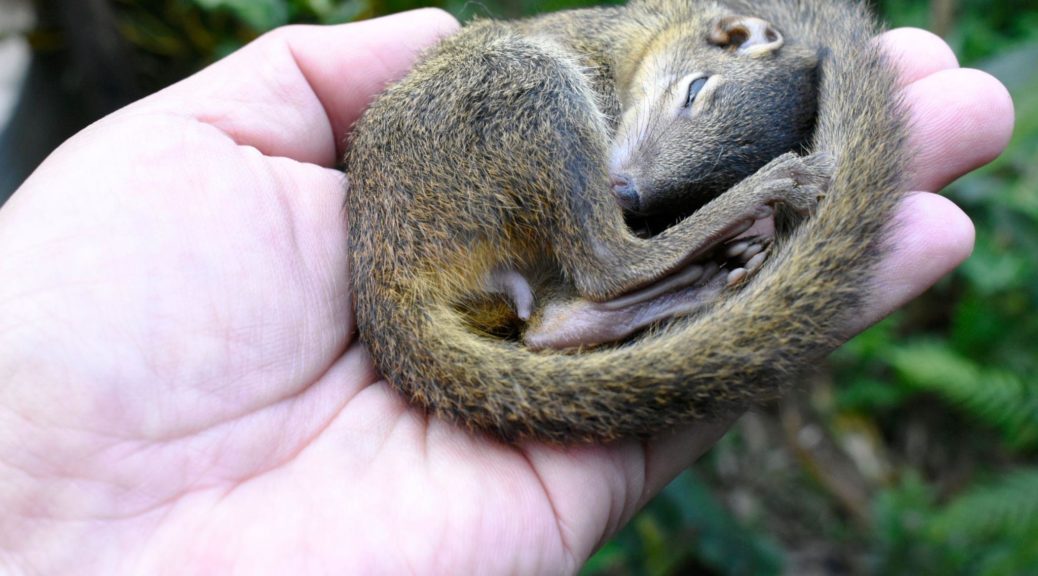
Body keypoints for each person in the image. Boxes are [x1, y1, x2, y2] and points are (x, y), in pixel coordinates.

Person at [0, 9, 1013, 574]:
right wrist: (754, 197)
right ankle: (619, 287)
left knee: (610, 190)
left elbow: (622, 180)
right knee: (509, 67)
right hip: (444, 226)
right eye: (687, 100)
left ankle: (607, 301)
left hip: (487, 281)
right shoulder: (609, 43)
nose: (638, 165)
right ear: (731, 32)